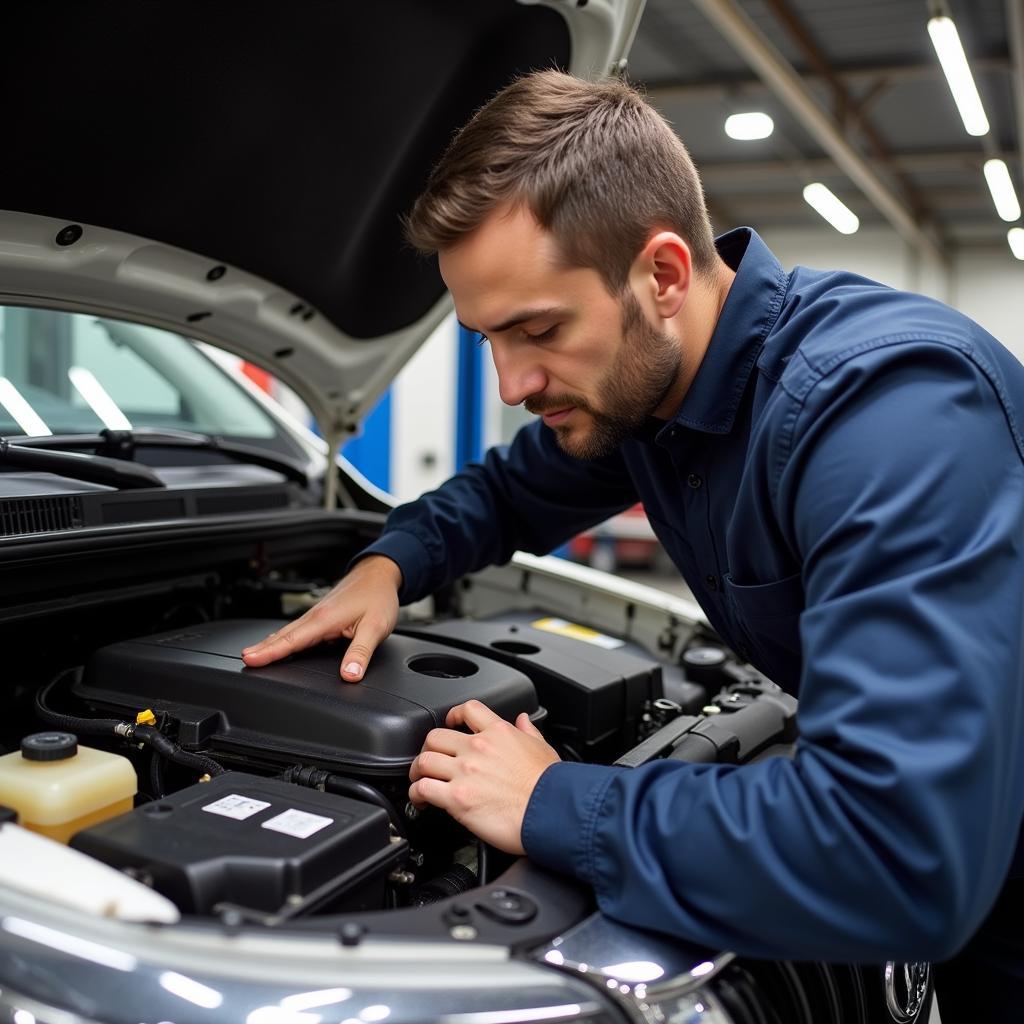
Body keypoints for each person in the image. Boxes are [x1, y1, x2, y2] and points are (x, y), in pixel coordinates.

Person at [241, 71, 1024, 1019]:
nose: (512, 382)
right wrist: (389, 562)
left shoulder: (883, 418)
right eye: (487, 338)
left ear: (661, 275)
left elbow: (896, 854)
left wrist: (555, 801)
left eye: (537, 329)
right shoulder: (649, 392)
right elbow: (505, 493)